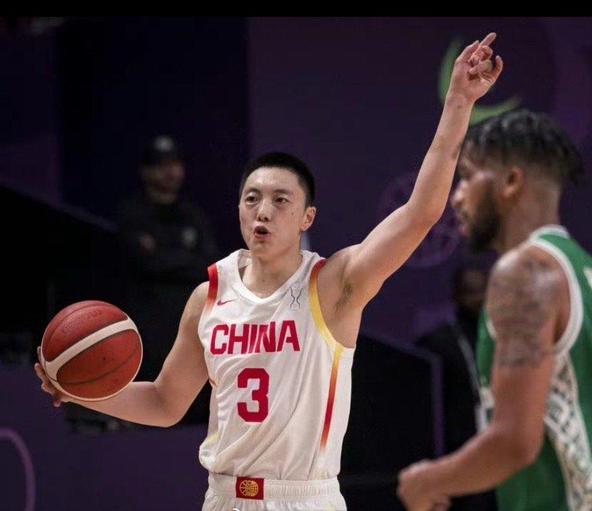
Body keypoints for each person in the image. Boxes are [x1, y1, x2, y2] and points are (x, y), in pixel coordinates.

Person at [35, 33, 503, 511]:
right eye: (252, 198)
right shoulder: (208, 295)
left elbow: (421, 213)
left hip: (304, 499)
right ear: (239, 209)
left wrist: (459, 103)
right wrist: (80, 390)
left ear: (307, 218)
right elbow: (163, 402)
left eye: (281, 200)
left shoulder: (334, 284)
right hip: (223, 498)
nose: (263, 211)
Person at [397, 109, 592, 511]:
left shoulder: (523, 272)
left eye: (467, 177)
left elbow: (514, 442)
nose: (457, 196)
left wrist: (425, 481)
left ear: (511, 182)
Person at [117, 135, 219, 422]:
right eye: (161, 165)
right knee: (155, 404)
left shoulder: (194, 216)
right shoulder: (132, 215)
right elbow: (145, 263)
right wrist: (182, 259)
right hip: (148, 328)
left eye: (174, 163)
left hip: (191, 325)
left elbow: (209, 266)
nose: (169, 171)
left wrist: (164, 257)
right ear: (146, 171)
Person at [416, 265, 497, 511]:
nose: (479, 298)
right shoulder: (440, 342)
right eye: (471, 292)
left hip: (498, 447)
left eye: (483, 291)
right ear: (457, 295)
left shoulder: (503, 338)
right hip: (460, 450)